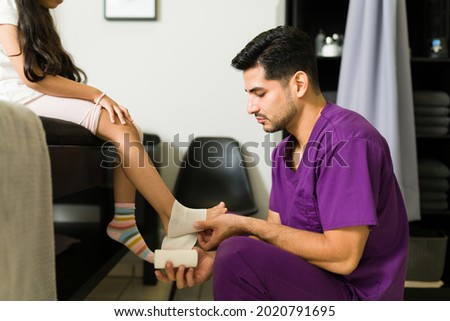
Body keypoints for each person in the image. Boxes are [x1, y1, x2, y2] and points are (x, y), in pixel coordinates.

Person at [156, 25, 409, 301]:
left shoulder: (348, 142)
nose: (250, 107)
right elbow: (274, 240)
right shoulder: (283, 153)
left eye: (260, 93)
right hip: (317, 283)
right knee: (233, 255)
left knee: (236, 252)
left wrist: (244, 225)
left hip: (358, 296)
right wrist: (214, 259)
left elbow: (344, 257)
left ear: (299, 84)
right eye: (248, 94)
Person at [0, 0, 226, 263]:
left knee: (130, 129)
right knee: (121, 125)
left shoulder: (34, 12)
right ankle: (170, 215)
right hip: (17, 98)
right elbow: (31, 76)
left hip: (28, 94)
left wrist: (99, 98)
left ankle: (126, 220)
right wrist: (98, 95)